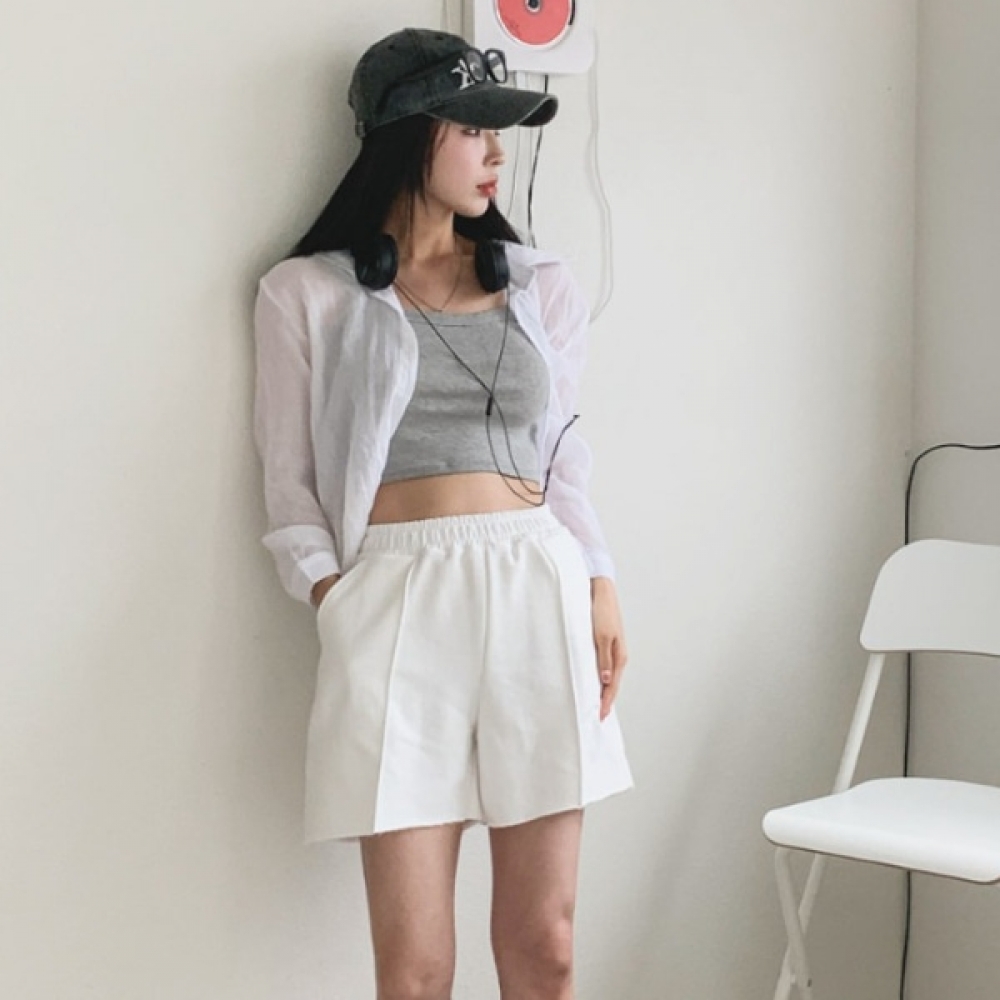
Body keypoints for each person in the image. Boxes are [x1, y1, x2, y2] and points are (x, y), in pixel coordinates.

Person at [253, 26, 634, 1000]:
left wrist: (598, 579)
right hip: (395, 603)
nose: (496, 152)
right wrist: (339, 601)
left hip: (535, 584)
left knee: (545, 944)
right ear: (404, 134)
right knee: (416, 969)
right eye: (471, 129)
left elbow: (562, 455)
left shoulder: (540, 286)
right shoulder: (308, 293)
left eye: (498, 131)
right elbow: (290, 484)